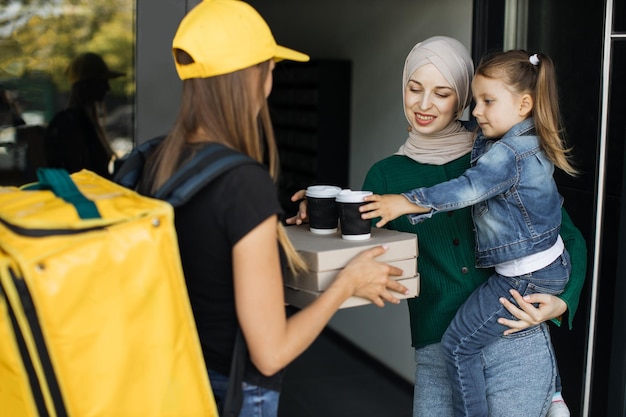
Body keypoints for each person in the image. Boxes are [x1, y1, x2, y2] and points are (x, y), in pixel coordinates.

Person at [131, 1, 408, 416]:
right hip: (232, 392)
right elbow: (270, 353)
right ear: (252, 76)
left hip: (175, 378)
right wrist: (345, 285)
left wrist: (271, 226)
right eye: (270, 66)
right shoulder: (243, 183)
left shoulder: (154, 161)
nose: (273, 77)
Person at [288, 37, 586, 417]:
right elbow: (359, 238)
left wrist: (563, 302)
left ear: (462, 96)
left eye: (442, 93)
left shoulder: (496, 153)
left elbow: (565, 236)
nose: (424, 104)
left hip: (516, 338)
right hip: (438, 350)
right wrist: (317, 221)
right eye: (414, 89)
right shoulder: (386, 174)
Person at [45, 52, 123, 178]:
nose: (108, 88)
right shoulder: (71, 125)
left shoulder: (79, 122)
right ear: (87, 84)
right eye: (102, 81)